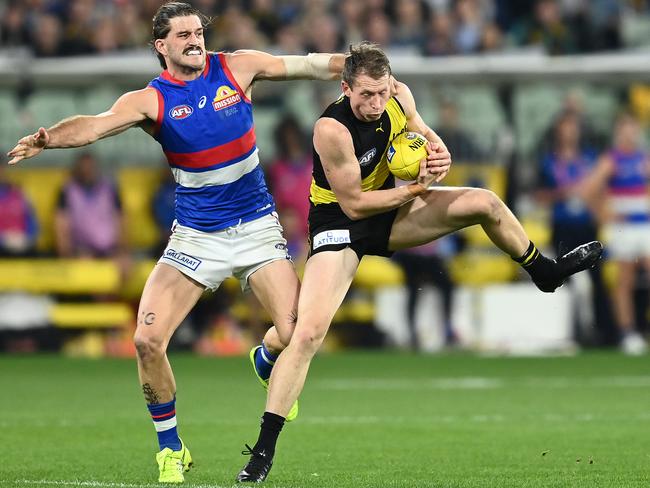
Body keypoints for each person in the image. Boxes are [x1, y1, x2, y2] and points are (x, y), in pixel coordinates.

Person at [8, 2, 345, 483]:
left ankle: (265, 358)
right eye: (182, 34)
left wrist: (350, 64)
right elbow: (97, 124)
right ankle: (170, 448)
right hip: (195, 236)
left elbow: (305, 64)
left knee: (297, 335)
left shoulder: (236, 66)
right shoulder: (152, 99)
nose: (195, 39)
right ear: (160, 46)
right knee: (146, 340)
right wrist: (48, 138)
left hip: (255, 227)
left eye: (198, 31)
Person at [236, 41, 603, 483]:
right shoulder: (330, 129)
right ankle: (264, 444)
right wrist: (413, 190)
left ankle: (543, 272)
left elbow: (426, 137)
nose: (375, 103)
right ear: (346, 87)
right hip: (340, 222)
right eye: (365, 95)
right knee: (306, 331)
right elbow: (354, 204)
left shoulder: (399, 96)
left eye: (382, 92)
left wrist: (439, 154)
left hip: (391, 210)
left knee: (484, 202)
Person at [536, 112, 616, 346]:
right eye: (565, 126)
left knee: (598, 279)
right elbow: (539, 195)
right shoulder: (548, 161)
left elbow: (601, 191)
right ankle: (571, 333)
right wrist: (561, 194)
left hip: (586, 225)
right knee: (564, 279)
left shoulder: (591, 159)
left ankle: (607, 333)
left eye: (573, 126)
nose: (570, 131)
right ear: (558, 131)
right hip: (562, 226)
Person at [581, 112, 649, 355]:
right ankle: (627, 332)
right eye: (625, 129)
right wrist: (603, 214)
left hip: (644, 224)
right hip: (624, 227)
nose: (630, 134)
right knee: (625, 280)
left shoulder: (643, 159)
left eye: (633, 128)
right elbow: (588, 190)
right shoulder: (612, 160)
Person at [0, 161, 38, 257]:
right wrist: (4, 240)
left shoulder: (19, 193)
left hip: (23, 246)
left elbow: (32, 222)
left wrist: (27, 239)